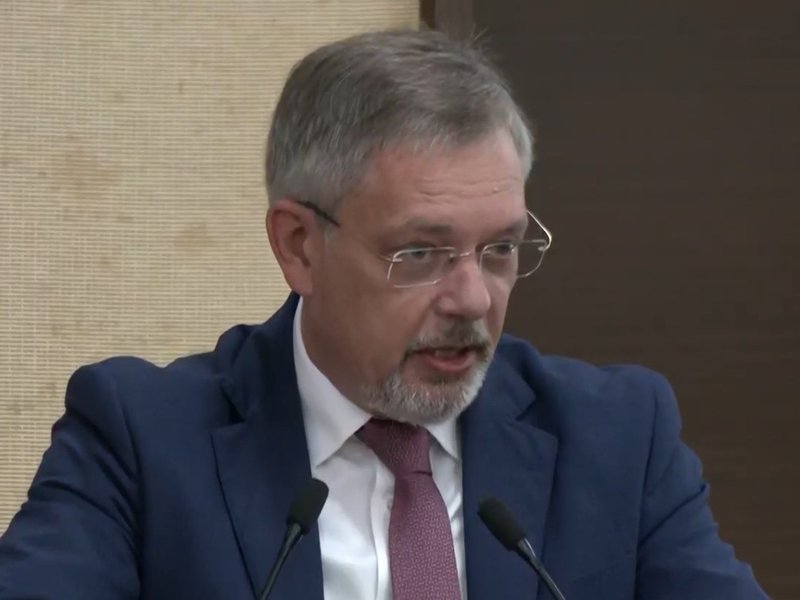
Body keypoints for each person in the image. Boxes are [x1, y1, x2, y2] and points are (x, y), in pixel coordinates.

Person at [0, 29, 768, 600]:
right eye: (421, 253)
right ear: (299, 246)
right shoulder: (139, 442)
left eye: (500, 249)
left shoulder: (617, 438)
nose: (473, 298)